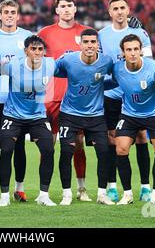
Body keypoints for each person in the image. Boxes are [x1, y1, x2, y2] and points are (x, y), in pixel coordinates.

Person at [98, 0, 153, 202]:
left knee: (140, 137)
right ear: (109, 12)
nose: (119, 11)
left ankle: (145, 187)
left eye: (122, 7)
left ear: (128, 10)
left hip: (134, 94)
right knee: (113, 140)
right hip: (111, 95)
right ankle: (112, 187)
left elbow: (148, 62)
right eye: (115, 8)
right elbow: (101, 64)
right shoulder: (102, 35)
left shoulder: (140, 33)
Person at [38, 0, 92, 201]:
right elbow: (36, 61)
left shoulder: (87, 33)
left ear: (75, 8)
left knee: (77, 143)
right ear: (57, 10)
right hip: (50, 96)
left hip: (76, 99)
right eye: (63, 6)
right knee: (47, 145)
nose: (67, 9)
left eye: (70, 5)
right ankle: (45, 191)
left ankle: (81, 189)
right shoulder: (45, 33)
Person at [112, 34, 155, 206]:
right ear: (123, 53)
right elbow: (107, 83)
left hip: (154, 114)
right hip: (129, 115)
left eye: (135, 49)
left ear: (141, 50)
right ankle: (127, 194)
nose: (132, 53)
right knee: (121, 148)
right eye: (128, 50)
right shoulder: (117, 69)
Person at [55, 29, 116, 206]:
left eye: (93, 42)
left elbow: (118, 79)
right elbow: (54, 70)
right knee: (66, 153)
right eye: (86, 42)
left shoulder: (106, 61)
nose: (90, 45)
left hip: (96, 116)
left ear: (98, 45)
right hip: (69, 114)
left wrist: (100, 86)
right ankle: (67, 194)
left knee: (104, 153)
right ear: (80, 44)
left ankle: (102, 194)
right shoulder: (69, 59)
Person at [0, 35, 56, 207]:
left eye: (40, 49)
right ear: (26, 51)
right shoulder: (13, 65)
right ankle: (4, 196)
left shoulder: (51, 64)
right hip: (13, 115)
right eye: (33, 49)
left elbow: (71, 68)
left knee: (48, 150)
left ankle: (44, 195)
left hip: (37, 116)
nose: (37, 52)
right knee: (6, 150)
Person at [0, 0, 32, 202]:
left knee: (19, 146)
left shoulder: (27, 37)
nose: (10, 15)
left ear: (18, 15)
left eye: (13, 12)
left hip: (18, 100)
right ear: (0, 15)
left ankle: (19, 188)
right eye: (6, 12)